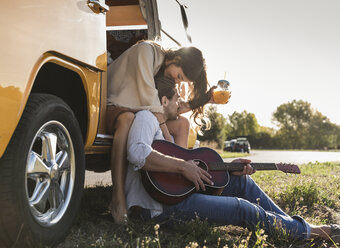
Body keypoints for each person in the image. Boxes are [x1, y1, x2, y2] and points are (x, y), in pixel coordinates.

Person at [125, 76, 340, 244]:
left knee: (240, 182)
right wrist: (183, 167)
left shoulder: (166, 129)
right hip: (156, 208)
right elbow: (136, 151)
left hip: (176, 196)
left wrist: (227, 169)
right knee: (242, 209)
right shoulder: (145, 118)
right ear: (164, 101)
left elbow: (186, 168)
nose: (180, 105)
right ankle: (309, 231)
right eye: (177, 101)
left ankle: (293, 228)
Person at [107, 40, 216, 223]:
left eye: (181, 80)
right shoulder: (147, 52)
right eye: (179, 76)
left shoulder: (166, 72)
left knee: (181, 123)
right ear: (177, 58)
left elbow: (170, 108)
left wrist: (205, 99)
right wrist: (167, 137)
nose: (177, 81)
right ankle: (118, 199)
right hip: (110, 102)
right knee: (126, 120)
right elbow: (154, 105)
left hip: (138, 110)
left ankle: (177, 184)